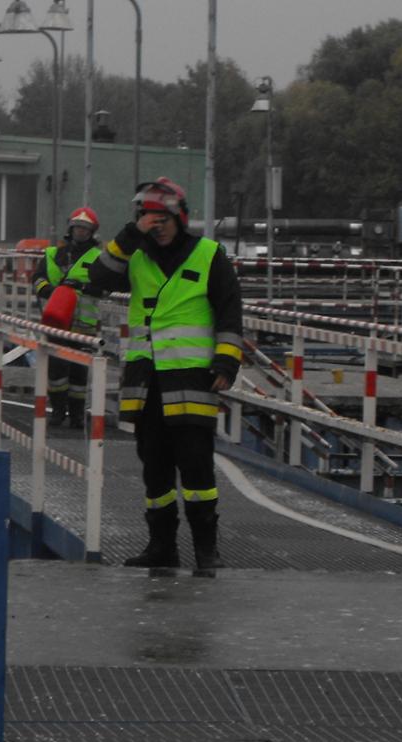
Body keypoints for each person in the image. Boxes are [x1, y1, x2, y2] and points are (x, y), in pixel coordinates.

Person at [86, 178, 244, 573]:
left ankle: (206, 551)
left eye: (161, 219)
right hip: (146, 382)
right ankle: (161, 547)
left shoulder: (209, 255)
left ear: (178, 217)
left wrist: (226, 363)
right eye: (146, 219)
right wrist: (127, 236)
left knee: (196, 468)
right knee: (154, 468)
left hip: (193, 380)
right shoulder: (134, 256)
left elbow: (230, 312)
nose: (155, 227)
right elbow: (96, 279)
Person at [32, 207, 105, 428]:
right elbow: (37, 280)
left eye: (85, 228)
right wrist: (51, 292)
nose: (80, 232)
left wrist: (82, 286)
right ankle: (58, 411)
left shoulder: (99, 258)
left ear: (92, 232)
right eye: (77, 227)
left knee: (79, 372)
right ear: (70, 229)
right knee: (56, 368)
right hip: (56, 320)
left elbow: (106, 287)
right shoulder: (53, 254)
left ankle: (76, 415)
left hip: (84, 325)